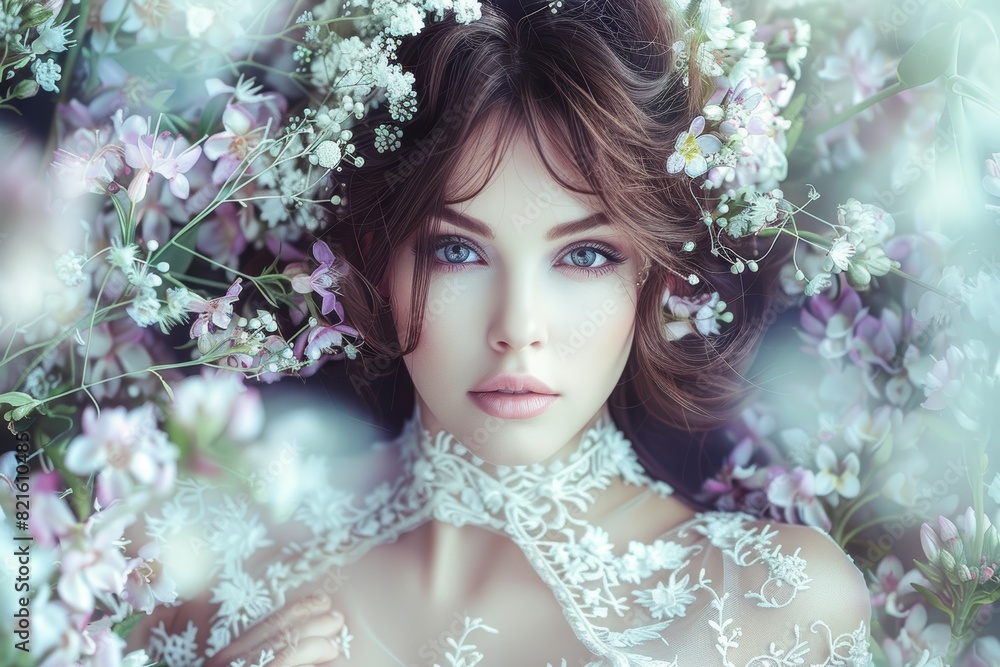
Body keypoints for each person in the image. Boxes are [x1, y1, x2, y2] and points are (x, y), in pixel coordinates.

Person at [127, 0, 875, 665]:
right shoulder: (208, 567)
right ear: (377, 260)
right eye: (457, 250)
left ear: (655, 277)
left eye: (584, 255)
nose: (518, 329)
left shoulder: (775, 608)